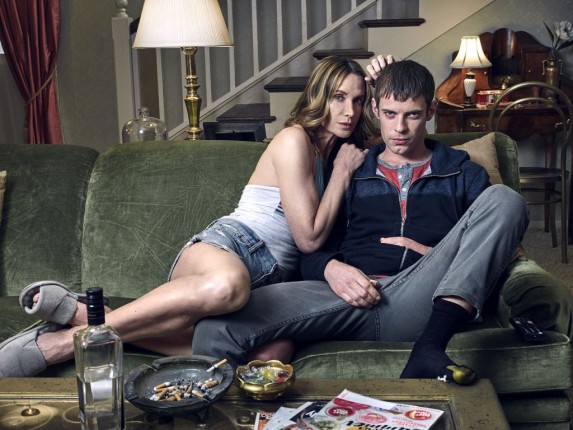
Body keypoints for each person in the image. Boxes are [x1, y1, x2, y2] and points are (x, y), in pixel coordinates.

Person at [0, 56, 381, 377]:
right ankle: (62, 344)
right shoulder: (294, 139)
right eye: (338, 97)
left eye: (358, 100)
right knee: (227, 286)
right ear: (318, 96)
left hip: (269, 284)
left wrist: (383, 79)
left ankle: (85, 314)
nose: (349, 111)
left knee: (269, 356)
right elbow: (309, 239)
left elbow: (398, 137)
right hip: (232, 248)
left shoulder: (336, 153)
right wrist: (341, 175)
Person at [191, 59, 530, 384]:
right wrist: (331, 269)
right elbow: (312, 249)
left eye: (412, 115)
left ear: (430, 111)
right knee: (216, 328)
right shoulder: (350, 170)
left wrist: (430, 254)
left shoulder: (463, 173)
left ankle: (429, 348)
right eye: (390, 114)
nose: (399, 128)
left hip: (423, 296)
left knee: (506, 199)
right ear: (376, 110)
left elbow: (497, 247)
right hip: (348, 297)